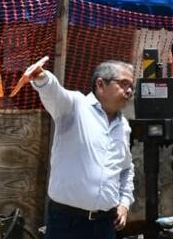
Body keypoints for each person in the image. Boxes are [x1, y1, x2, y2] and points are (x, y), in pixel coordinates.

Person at [28, 59, 136, 239]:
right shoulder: (75, 107)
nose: (130, 91)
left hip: (105, 225)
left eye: (131, 86)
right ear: (100, 84)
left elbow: (126, 169)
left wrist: (124, 203)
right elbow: (54, 93)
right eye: (123, 84)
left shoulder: (123, 126)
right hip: (67, 224)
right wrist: (42, 77)